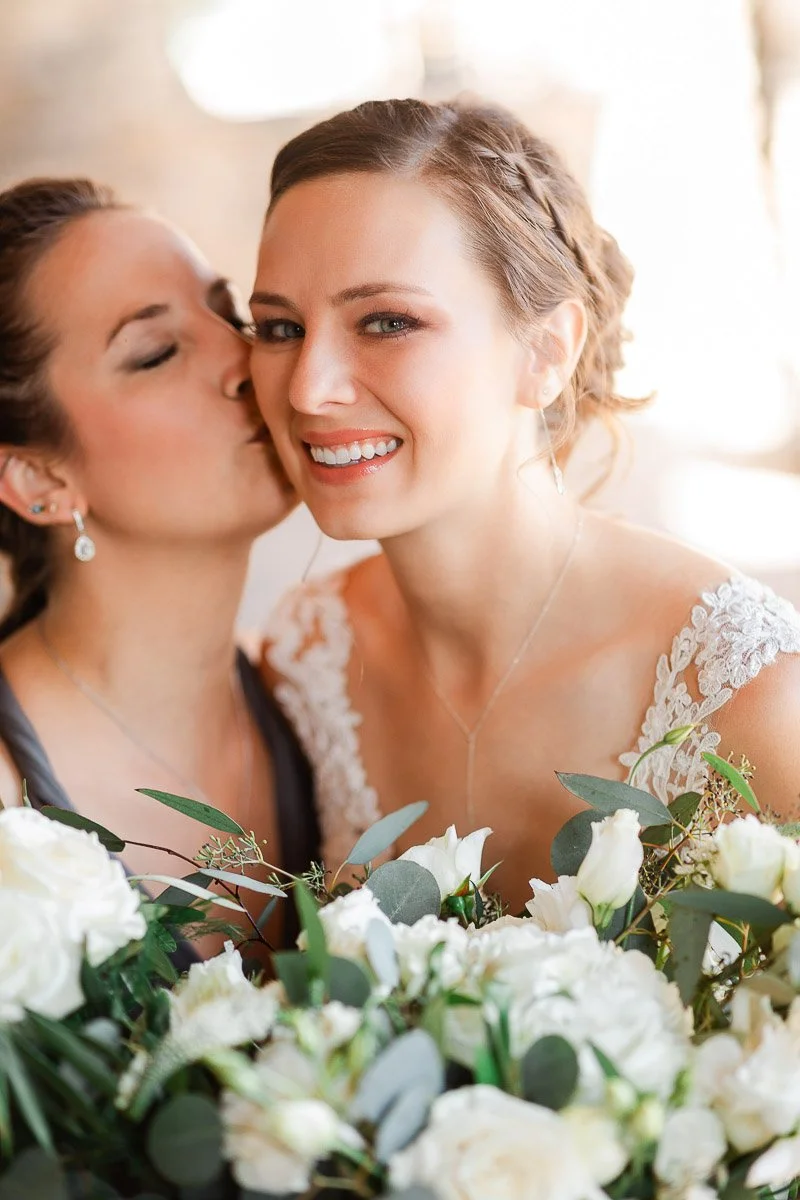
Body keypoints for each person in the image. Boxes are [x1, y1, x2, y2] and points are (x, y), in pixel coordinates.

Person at [252, 98, 800, 913]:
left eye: (387, 321)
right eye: (278, 328)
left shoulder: (746, 692)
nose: (309, 388)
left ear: (545, 351)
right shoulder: (310, 658)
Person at [0, 178, 318, 951]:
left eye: (232, 313)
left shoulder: (315, 702)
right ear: (41, 480)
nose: (245, 361)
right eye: (156, 353)